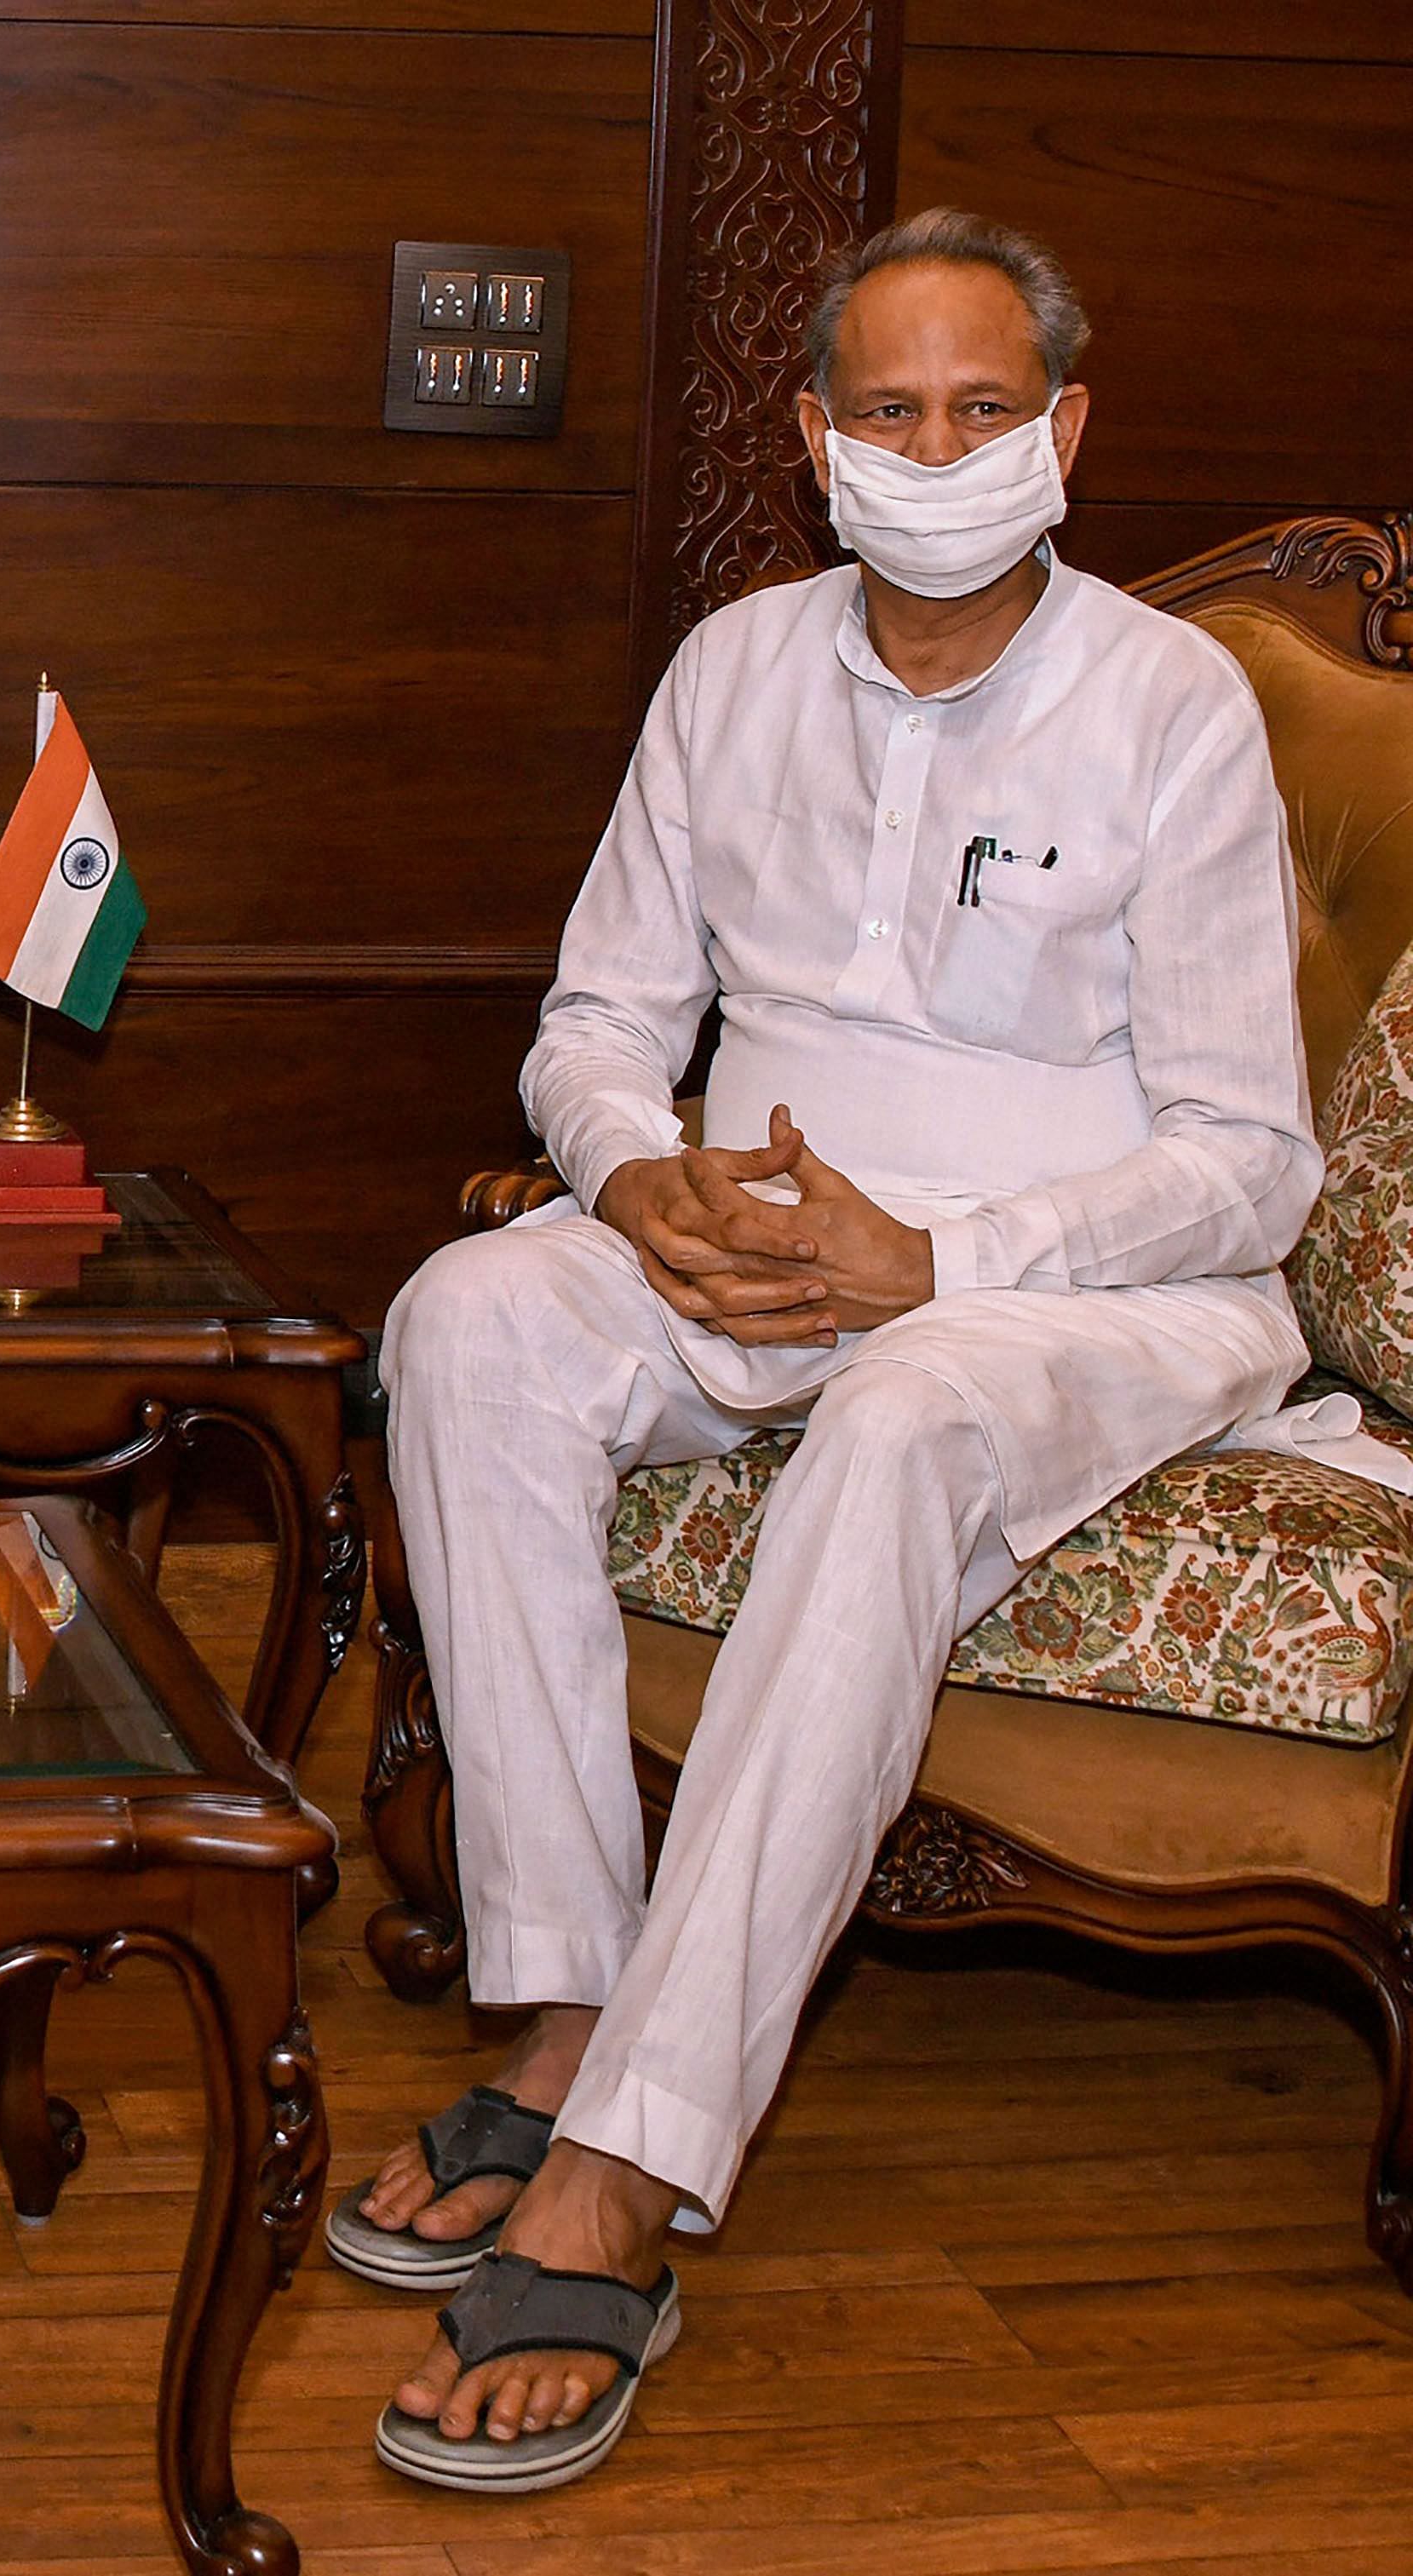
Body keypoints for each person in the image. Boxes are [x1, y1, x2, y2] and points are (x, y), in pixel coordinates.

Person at [341, 208, 1316, 2493]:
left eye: (986, 408)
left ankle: (633, 2166)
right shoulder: (733, 668)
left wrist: (939, 1251)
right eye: (889, 408)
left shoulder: (1176, 706)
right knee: (466, 1313)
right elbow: (597, 1021)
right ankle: (574, 2001)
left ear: (1067, 432)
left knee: (889, 1418)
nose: (937, 447)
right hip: (753, 1247)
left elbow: (1251, 1156)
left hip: (1082, 1292)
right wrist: (630, 1176)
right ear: (814, 442)